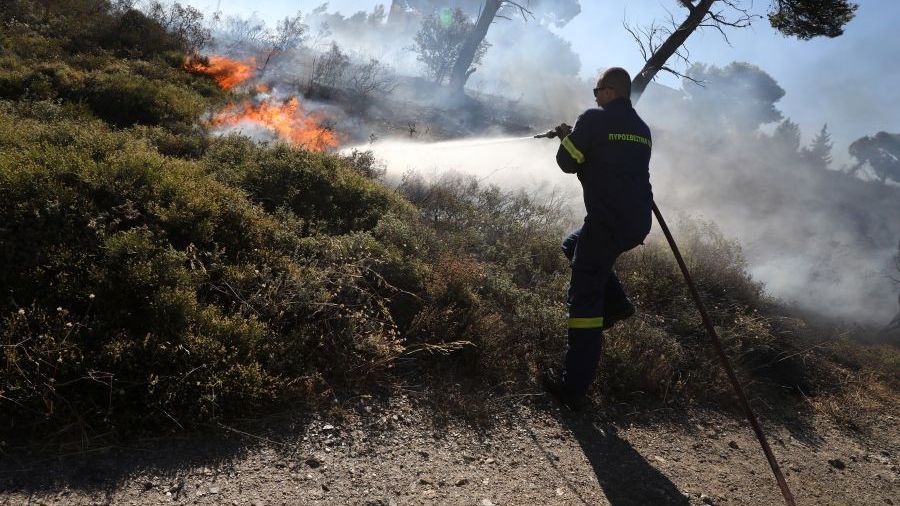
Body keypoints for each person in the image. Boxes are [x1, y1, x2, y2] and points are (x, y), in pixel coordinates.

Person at [544, 67, 654, 410]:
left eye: (597, 89)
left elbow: (568, 161)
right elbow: (617, 161)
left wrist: (568, 136)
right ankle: (617, 303)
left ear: (611, 91)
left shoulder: (593, 118)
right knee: (573, 244)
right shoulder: (641, 129)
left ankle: (572, 389)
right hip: (636, 222)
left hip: (606, 223)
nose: (594, 95)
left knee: (584, 305)